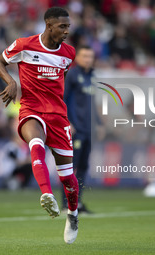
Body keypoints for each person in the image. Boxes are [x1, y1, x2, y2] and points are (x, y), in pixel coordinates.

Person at [0, 7, 79, 244]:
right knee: (36, 142)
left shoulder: (69, 53)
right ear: (48, 25)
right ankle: (46, 194)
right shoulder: (24, 45)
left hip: (58, 116)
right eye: (62, 26)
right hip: (31, 109)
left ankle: (72, 214)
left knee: (68, 177)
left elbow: (62, 80)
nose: (66, 31)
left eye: (68, 27)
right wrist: (11, 81)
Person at [62, 46, 102, 213]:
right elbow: (62, 98)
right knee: (71, 167)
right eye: (84, 56)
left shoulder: (92, 76)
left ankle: (77, 203)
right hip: (75, 128)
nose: (88, 59)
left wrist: (99, 123)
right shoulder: (71, 75)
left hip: (89, 129)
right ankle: (66, 204)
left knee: (84, 166)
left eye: (90, 56)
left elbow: (92, 103)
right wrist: (67, 121)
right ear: (77, 57)